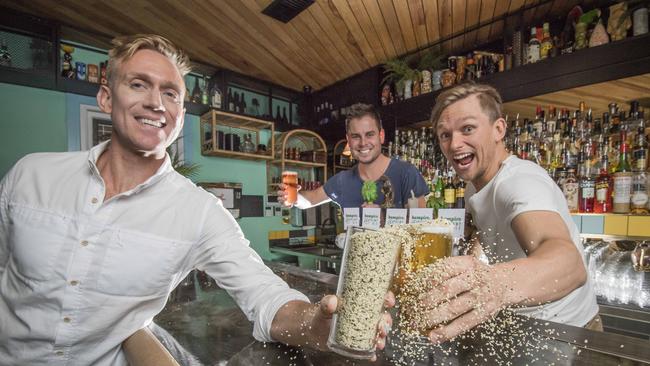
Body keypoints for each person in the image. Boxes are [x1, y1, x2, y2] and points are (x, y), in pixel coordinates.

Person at [0, 34, 392, 365]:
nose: (156, 102)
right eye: (138, 84)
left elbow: (264, 294)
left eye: (169, 93)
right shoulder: (30, 175)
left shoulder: (199, 212)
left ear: (180, 112)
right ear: (105, 98)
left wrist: (317, 324)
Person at [421, 83, 599, 343]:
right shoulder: (475, 186)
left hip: (568, 334)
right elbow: (490, 233)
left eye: (467, 128)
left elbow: (570, 265)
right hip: (527, 326)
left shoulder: (518, 182)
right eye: (445, 135)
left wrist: (492, 285)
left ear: (498, 129)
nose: (455, 143)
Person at [278, 103, 429, 210]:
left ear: (381, 136)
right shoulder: (342, 180)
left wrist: (383, 218)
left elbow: (421, 226)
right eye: (356, 136)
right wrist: (293, 197)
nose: (363, 143)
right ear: (348, 140)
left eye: (369, 135)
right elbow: (310, 200)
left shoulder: (406, 173)